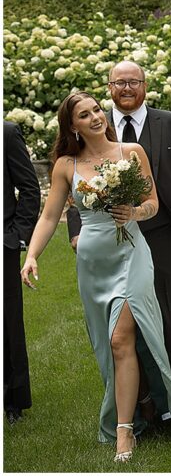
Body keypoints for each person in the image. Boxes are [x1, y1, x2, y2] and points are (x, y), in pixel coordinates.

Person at [20, 92, 171, 462]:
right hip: (93, 265)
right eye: (84, 115)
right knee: (111, 346)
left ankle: (124, 432)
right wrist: (32, 255)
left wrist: (134, 212)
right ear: (72, 125)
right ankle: (146, 402)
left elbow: (152, 203)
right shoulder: (66, 166)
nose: (94, 118)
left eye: (95, 111)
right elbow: (49, 215)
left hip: (132, 256)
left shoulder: (130, 152)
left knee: (122, 338)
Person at [67, 62, 171, 392]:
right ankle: (139, 385)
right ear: (109, 87)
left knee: (170, 306)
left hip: (169, 230)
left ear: (145, 85)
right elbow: (76, 181)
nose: (126, 88)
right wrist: (76, 230)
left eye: (133, 82)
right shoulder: (96, 128)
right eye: (119, 83)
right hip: (112, 238)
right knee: (127, 311)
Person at [4, 121, 40, 424]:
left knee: (7, 323)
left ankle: (13, 400)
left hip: (2, 244)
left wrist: (15, 235)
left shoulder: (6, 132)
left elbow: (29, 187)